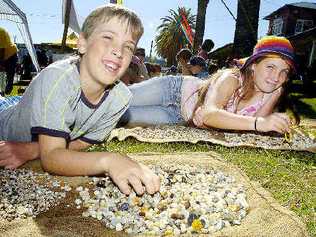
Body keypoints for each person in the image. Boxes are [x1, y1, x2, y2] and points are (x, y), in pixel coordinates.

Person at [0, 4, 160, 196]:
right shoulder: (58, 78)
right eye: (108, 37)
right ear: (82, 43)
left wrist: (33, 150)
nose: (119, 51)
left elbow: (80, 143)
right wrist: (109, 161)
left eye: (128, 46)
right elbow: (51, 159)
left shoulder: (120, 99)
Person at [120, 36, 296, 135]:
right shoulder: (232, 78)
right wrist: (260, 123)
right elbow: (210, 114)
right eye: (270, 67)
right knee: (120, 99)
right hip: (174, 90)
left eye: (284, 72)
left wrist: (274, 95)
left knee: (121, 116)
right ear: (253, 66)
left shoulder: (271, 92)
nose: (276, 77)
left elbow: (253, 130)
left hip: (179, 117)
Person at [0, 27, 18, 95]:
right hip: (3, 54)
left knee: (9, 74)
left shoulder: (1, 32)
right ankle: (2, 91)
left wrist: (1, 64)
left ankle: (6, 90)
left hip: (11, 54)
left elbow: (2, 50)